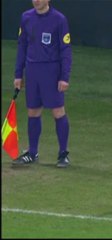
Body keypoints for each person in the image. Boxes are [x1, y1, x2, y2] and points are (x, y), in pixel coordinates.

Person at [12, 0, 72, 168]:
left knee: (58, 111)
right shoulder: (26, 17)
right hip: (32, 72)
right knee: (33, 111)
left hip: (51, 72)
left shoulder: (59, 19)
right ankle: (32, 152)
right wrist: (18, 74)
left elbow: (65, 50)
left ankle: (63, 154)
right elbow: (22, 46)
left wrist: (64, 77)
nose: (36, 0)